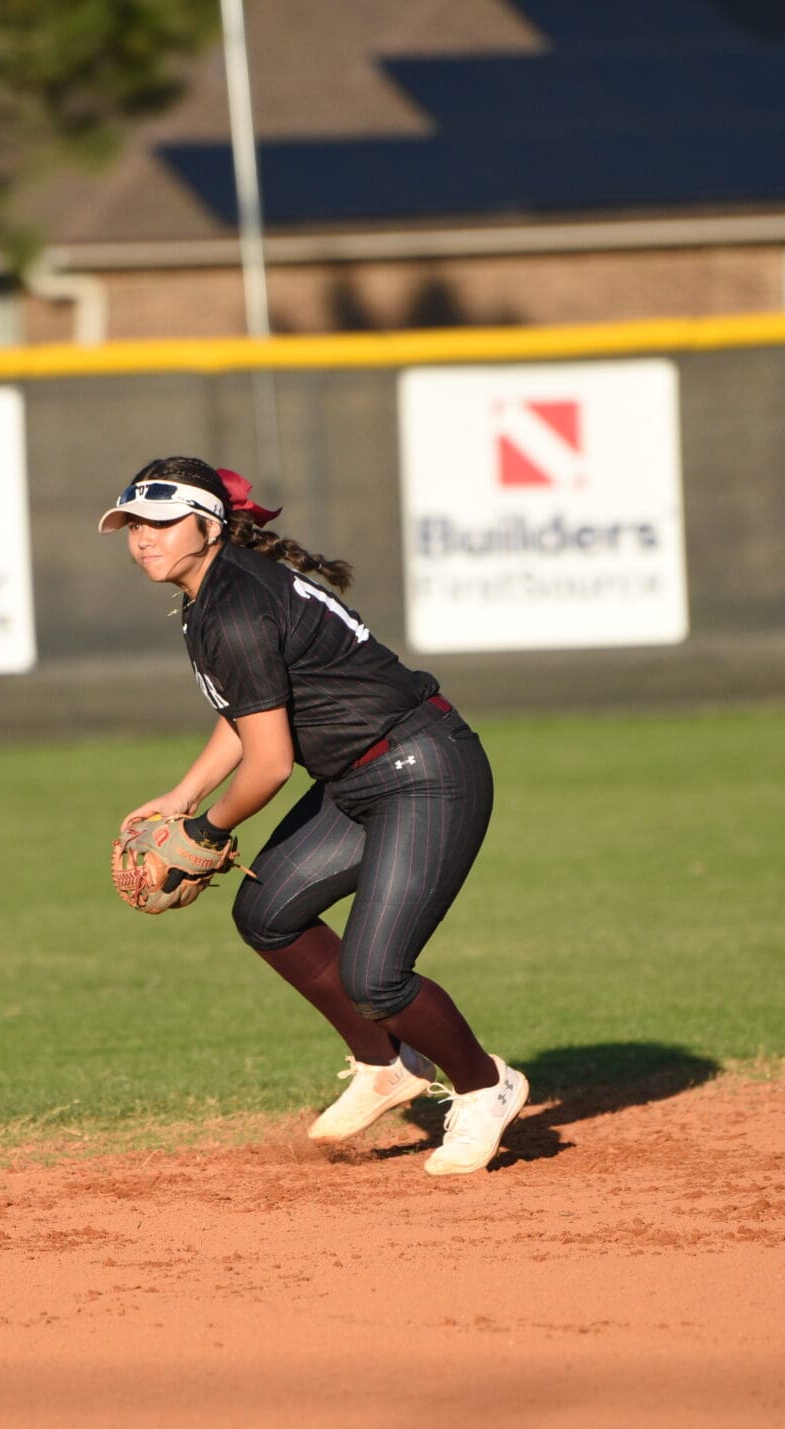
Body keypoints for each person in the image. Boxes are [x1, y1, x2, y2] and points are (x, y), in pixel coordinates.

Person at [103, 456, 529, 1177]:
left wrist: (206, 832)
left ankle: (487, 1085)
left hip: (425, 773)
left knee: (376, 978)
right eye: (132, 524)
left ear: (209, 526)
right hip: (356, 778)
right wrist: (184, 796)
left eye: (163, 522)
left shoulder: (235, 604)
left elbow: (270, 763)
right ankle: (385, 1065)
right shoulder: (212, 594)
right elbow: (248, 712)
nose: (144, 537)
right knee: (267, 913)